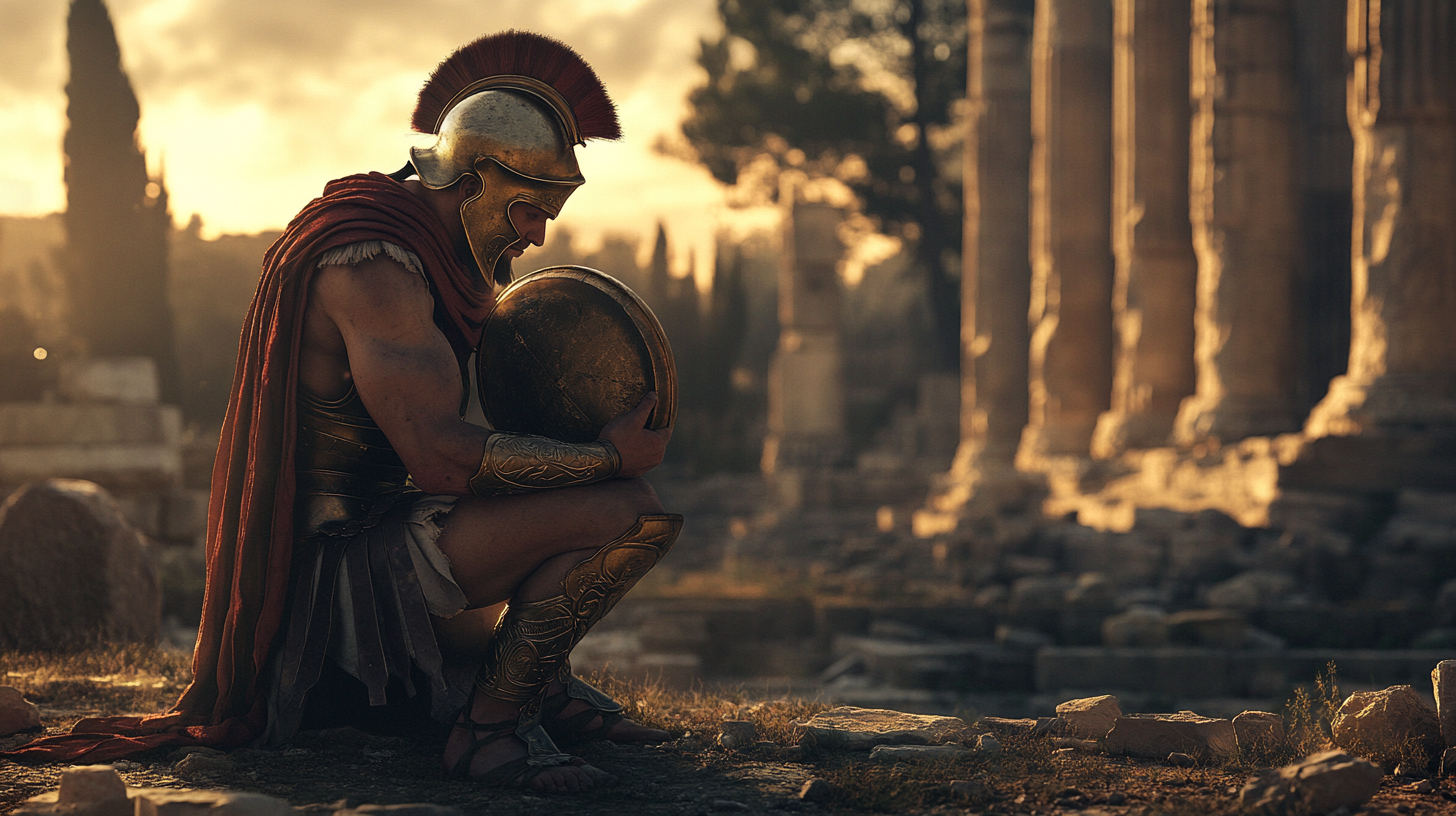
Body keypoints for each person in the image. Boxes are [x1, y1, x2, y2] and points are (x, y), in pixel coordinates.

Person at [2, 31, 677, 795]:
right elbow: (439, 458)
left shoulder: (425, 252)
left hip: (397, 537)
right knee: (628, 508)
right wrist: (608, 460)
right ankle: (489, 729)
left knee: (617, 506)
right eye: (527, 210)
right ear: (475, 181)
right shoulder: (377, 272)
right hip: (344, 580)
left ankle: (541, 686)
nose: (537, 235)